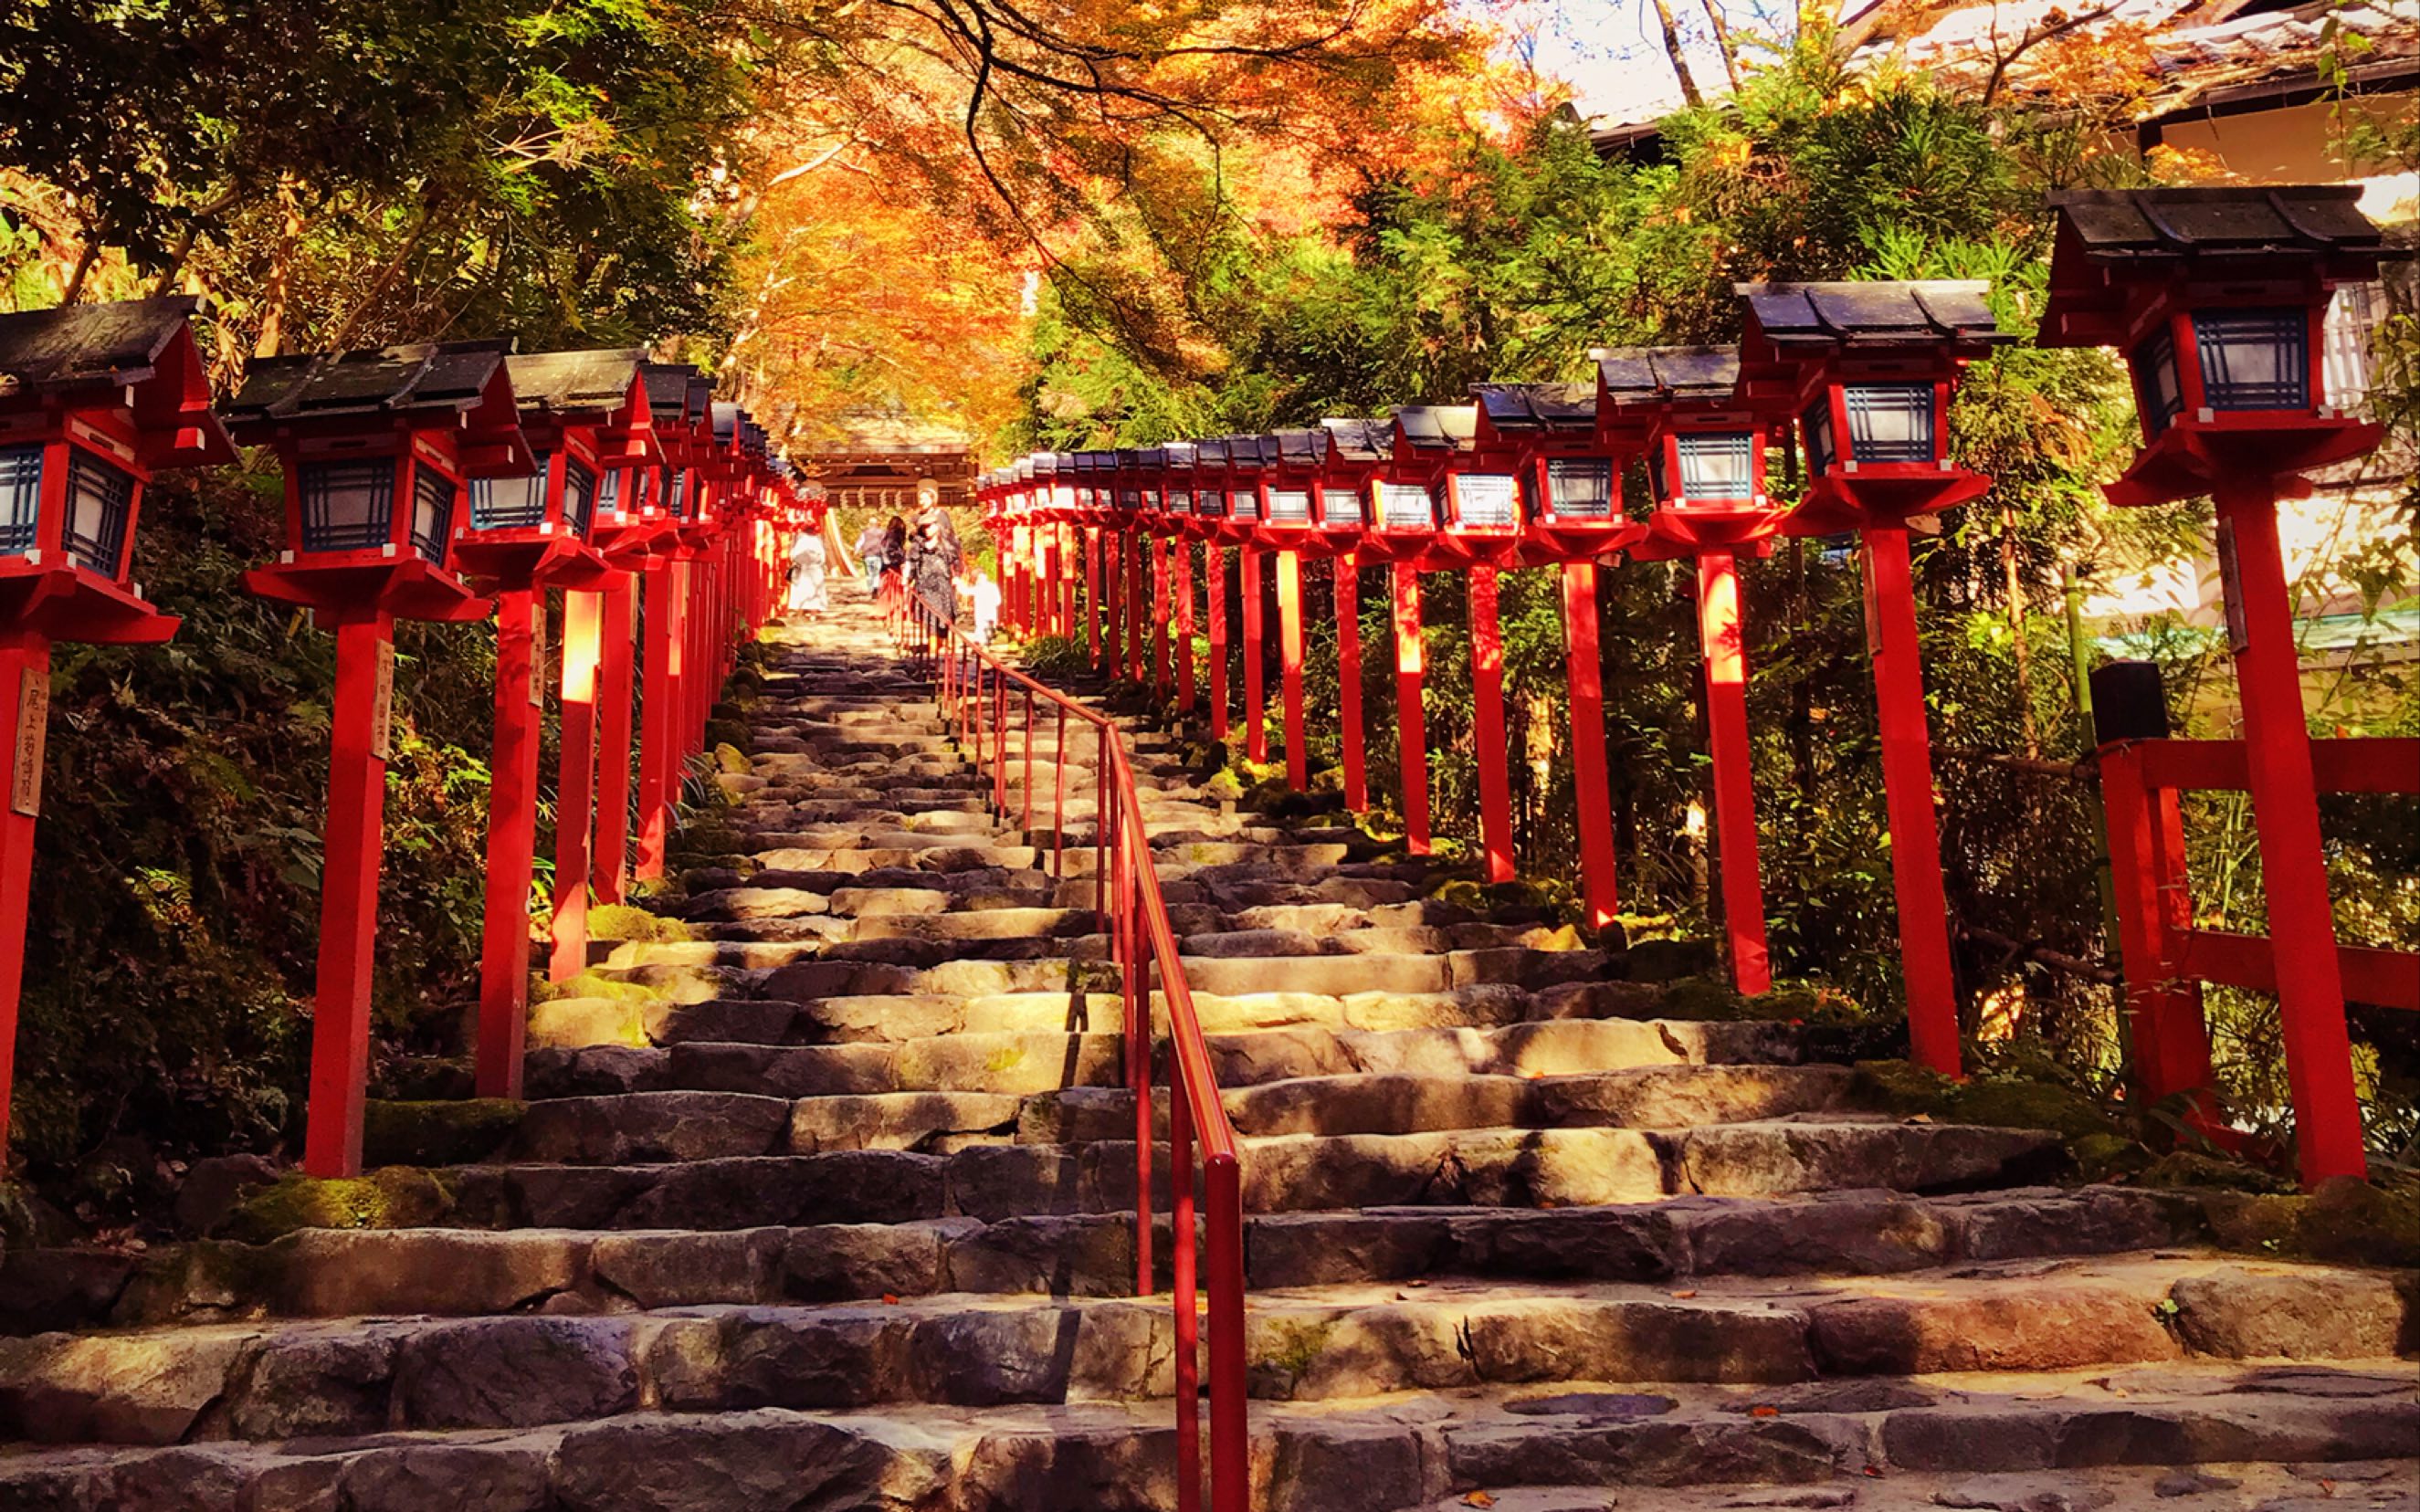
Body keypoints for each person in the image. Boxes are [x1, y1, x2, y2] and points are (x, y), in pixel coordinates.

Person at [786, 527, 827, 615]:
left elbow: (794, 556)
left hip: (803, 569)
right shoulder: (817, 541)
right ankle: (813, 614)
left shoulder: (801, 541)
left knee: (801, 591)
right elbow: (823, 558)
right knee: (815, 591)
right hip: (815, 568)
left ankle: (800, 613)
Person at [966, 568, 1002, 646]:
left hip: (981, 613)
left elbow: (966, 591)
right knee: (987, 629)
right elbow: (998, 601)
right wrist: (992, 605)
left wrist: (958, 584)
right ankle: (986, 642)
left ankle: (980, 644)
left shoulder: (978, 588)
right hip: (991, 612)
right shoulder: (993, 586)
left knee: (980, 630)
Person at [854, 520, 887, 589]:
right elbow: (885, 543)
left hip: (868, 555)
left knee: (869, 572)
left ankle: (871, 588)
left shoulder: (865, 533)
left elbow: (859, 543)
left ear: (870, 524)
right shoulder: (882, 532)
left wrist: (856, 552)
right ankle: (875, 587)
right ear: (877, 524)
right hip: (877, 554)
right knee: (876, 572)